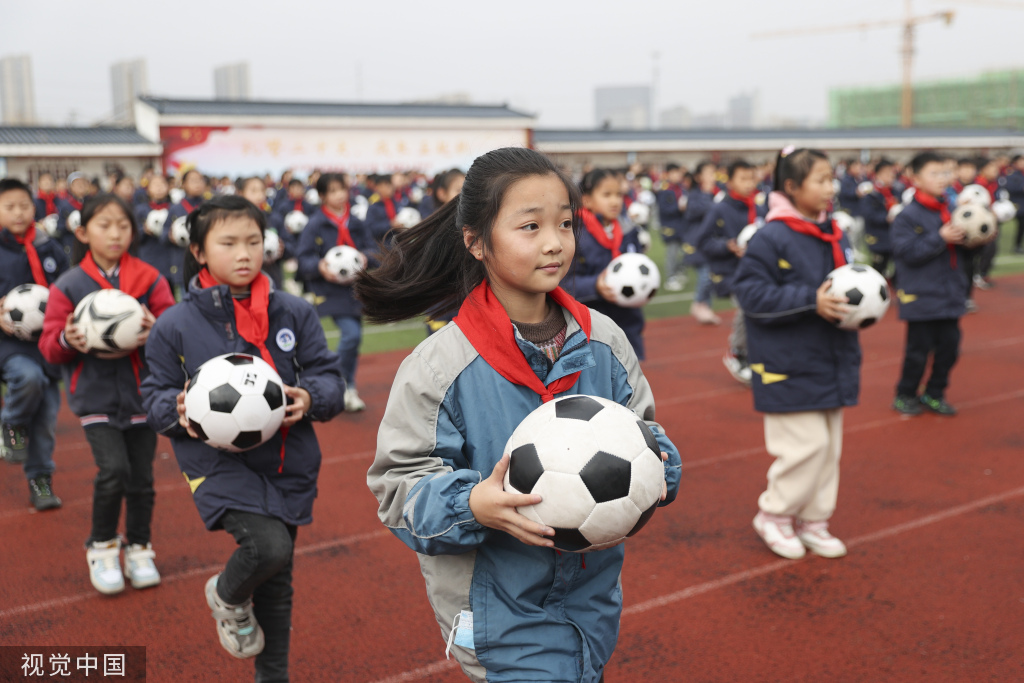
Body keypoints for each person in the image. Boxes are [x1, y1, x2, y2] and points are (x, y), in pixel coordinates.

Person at [357, 147, 681, 683]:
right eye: (530, 226)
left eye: (565, 223)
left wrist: (658, 465)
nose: (554, 242)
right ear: (477, 241)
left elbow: (648, 435)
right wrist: (472, 503)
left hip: (590, 603)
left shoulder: (606, 343)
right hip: (495, 614)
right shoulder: (439, 367)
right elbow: (398, 491)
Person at [140, 195, 343, 682]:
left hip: (288, 460)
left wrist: (310, 398)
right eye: (228, 242)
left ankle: (272, 677)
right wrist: (177, 407)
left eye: (253, 240)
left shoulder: (292, 311)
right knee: (268, 550)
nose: (244, 252)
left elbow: (329, 378)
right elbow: (152, 398)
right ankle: (225, 594)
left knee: (279, 579)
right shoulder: (174, 324)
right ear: (200, 251)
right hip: (214, 465)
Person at [39, 194, 175, 594]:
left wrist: (157, 331)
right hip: (95, 397)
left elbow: (172, 325)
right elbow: (49, 344)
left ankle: (139, 546)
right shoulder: (69, 284)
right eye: (104, 225)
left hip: (144, 394)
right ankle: (100, 547)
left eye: (123, 225)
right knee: (114, 471)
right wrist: (68, 337)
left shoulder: (150, 278)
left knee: (143, 478)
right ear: (82, 232)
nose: (115, 233)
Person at [733, 147, 860, 560]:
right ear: (791, 187)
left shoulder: (832, 230)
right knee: (805, 447)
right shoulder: (773, 235)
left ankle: (814, 520)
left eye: (831, 178)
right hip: (786, 363)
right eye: (821, 180)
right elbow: (751, 295)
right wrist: (812, 300)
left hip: (831, 357)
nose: (830, 188)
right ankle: (774, 514)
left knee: (829, 449)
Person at [0, 178, 68, 509]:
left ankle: (41, 481)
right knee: (27, 379)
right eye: (9, 207)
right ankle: (11, 421)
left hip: (48, 344)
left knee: (46, 421)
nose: (18, 213)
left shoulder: (49, 247)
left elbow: (68, 286)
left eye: (24, 206)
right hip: (9, 344)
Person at [890, 151, 967, 417]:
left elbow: (964, 252)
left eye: (945, 173)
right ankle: (905, 394)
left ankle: (935, 393)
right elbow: (907, 253)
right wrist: (940, 237)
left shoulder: (953, 209)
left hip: (950, 293)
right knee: (917, 352)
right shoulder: (907, 216)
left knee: (950, 348)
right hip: (921, 295)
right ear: (915, 178)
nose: (942, 179)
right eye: (934, 173)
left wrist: (977, 238)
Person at [297, 173, 372, 412]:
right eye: (332, 191)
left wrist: (365, 257)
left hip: (356, 288)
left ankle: (346, 384)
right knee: (350, 335)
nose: (340, 195)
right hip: (330, 290)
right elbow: (303, 259)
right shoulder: (315, 224)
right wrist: (320, 266)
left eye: (342, 189)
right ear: (321, 196)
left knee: (356, 338)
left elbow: (372, 247)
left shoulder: (356, 222)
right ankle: (341, 382)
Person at [561, 168, 648, 359]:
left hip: (628, 322)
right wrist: (595, 285)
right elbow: (563, 282)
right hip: (591, 325)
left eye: (618, 194)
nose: (615, 200)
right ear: (587, 200)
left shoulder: (628, 230)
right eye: (607, 194)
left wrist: (645, 286)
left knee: (630, 379)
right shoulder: (574, 233)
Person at [693, 159, 765, 385]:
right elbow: (702, 241)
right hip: (730, 271)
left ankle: (754, 355)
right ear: (730, 181)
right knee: (747, 307)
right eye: (743, 179)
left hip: (758, 270)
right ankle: (736, 352)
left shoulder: (760, 206)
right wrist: (728, 246)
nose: (748, 183)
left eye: (751, 178)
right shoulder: (720, 208)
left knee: (759, 311)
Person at [421, 168, 466, 335]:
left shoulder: (476, 226)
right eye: (459, 191)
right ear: (441, 193)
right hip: (440, 305)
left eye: (468, 190)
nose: (465, 195)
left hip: (467, 303)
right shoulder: (433, 229)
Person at [679, 161, 721, 324]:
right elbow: (697, 211)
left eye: (714, 172)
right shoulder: (695, 196)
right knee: (705, 275)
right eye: (709, 173)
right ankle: (698, 303)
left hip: (710, 243)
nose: (713, 176)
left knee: (710, 275)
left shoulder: (714, 195)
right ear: (698, 177)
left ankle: (706, 309)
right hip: (696, 243)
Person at [164, 169, 208, 296]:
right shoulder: (175, 208)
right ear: (184, 184)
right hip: (181, 264)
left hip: (206, 264)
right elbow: (163, 233)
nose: (198, 184)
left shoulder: (209, 206)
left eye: (200, 180)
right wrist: (170, 236)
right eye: (193, 181)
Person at [861, 159, 899, 278]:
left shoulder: (895, 191)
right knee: (878, 267)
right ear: (878, 175)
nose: (890, 176)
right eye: (887, 173)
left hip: (894, 236)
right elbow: (868, 214)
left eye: (892, 173)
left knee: (897, 267)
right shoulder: (871, 193)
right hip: (878, 237)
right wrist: (886, 218)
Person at [656, 163, 688, 291]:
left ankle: (678, 272)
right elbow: (664, 209)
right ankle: (670, 278)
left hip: (682, 225)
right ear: (668, 174)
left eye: (679, 173)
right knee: (672, 253)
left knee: (684, 251)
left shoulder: (681, 188)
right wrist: (678, 208)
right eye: (675, 173)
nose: (678, 175)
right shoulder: (665, 189)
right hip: (670, 226)